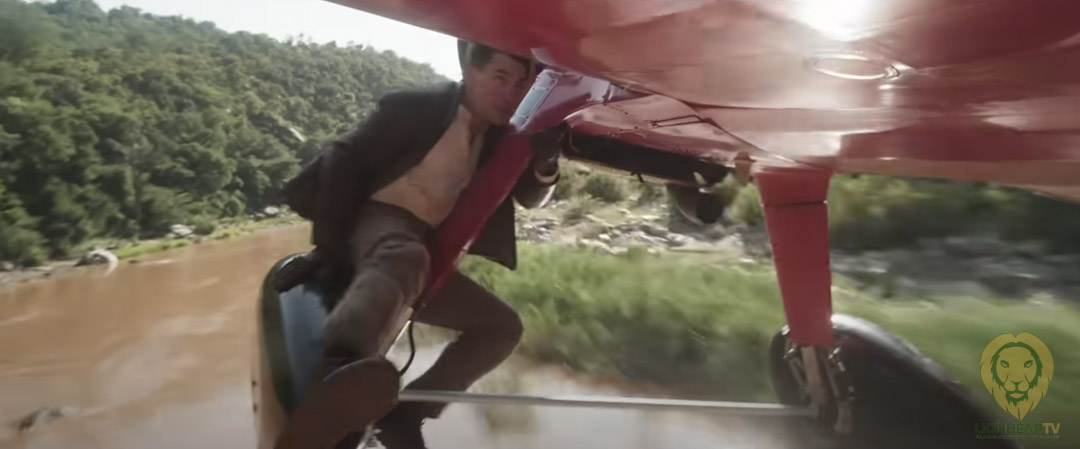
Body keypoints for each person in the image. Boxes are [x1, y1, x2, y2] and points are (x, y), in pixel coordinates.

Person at [274, 40, 562, 449]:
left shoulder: (503, 138)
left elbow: (531, 197)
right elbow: (342, 160)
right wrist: (327, 249)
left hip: (424, 249)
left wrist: (547, 166)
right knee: (402, 254)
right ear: (471, 70)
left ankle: (407, 415)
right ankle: (336, 373)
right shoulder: (415, 108)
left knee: (501, 328)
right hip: (380, 219)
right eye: (500, 78)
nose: (511, 94)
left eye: (520, 85)